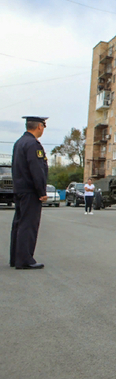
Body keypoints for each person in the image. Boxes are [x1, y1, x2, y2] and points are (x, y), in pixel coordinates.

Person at [10, 116, 49, 270]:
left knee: (19, 224)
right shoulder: (33, 144)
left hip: (20, 189)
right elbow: (37, 170)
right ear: (39, 126)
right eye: (43, 127)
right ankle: (25, 259)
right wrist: (41, 191)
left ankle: (16, 258)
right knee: (29, 225)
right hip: (31, 191)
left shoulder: (19, 142)